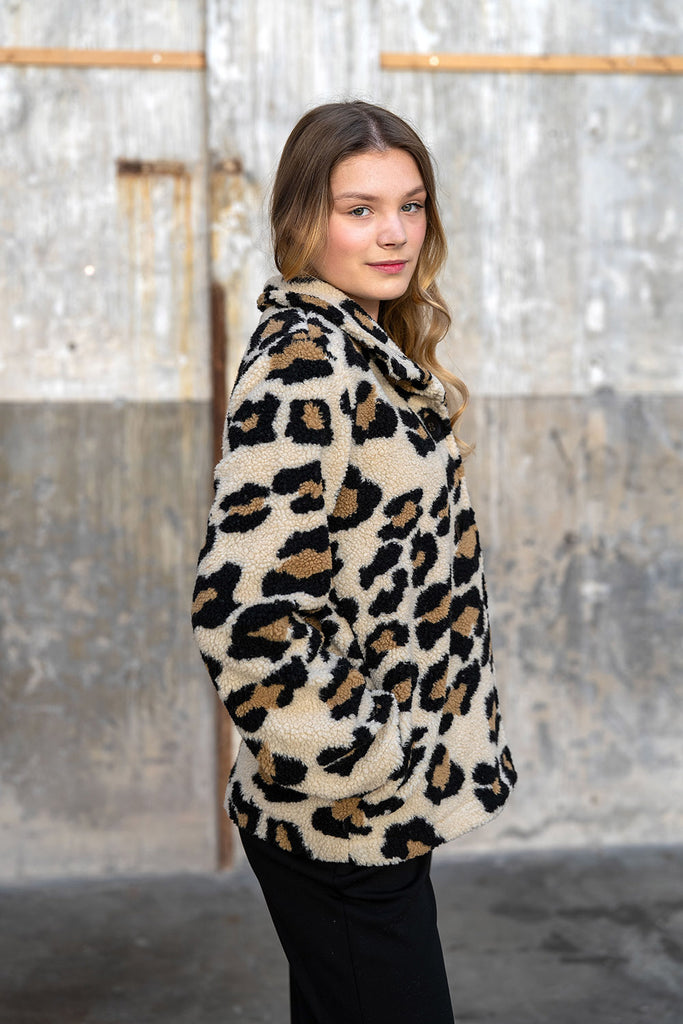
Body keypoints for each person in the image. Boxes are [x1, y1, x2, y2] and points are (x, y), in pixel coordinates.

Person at [191, 100, 517, 1024]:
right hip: (343, 814)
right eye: (359, 209)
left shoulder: (361, 345)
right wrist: (364, 757)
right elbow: (241, 611)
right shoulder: (306, 362)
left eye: (410, 206)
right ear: (306, 219)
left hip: (368, 810)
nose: (394, 234)